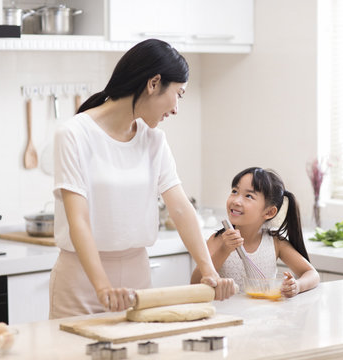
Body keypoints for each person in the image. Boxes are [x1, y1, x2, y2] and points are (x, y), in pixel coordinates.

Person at [50, 39, 236, 319]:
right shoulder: (74, 134)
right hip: (81, 282)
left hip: (138, 280)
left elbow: (181, 208)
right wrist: (102, 287)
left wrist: (209, 270)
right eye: (179, 94)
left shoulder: (153, 141)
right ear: (154, 83)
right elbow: (79, 221)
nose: (176, 109)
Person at [191, 167, 319, 298]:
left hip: (263, 316)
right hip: (227, 316)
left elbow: (312, 274)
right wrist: (224, 250)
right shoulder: (218, 240)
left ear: (269, 212)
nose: (236, 201)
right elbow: (195, 283)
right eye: (234, 191)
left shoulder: (275, 243)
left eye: (248, 196)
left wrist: (297, 286)